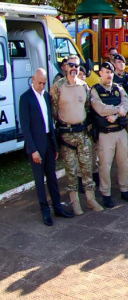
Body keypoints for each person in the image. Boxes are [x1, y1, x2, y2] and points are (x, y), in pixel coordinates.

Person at [49, 55, 103, 215]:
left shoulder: (84, 86)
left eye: (77, 66)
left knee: (87, 169)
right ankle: (75, 203)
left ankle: (91, 200)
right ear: (65, 67)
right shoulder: (58, 86)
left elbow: (86, 107)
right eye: (71, 65)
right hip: (67, 136)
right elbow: (53, 111)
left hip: (82, 134)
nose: (74, 68)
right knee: (71, 172)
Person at [22, 69, 75, 225]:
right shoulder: (25, 98)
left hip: (48, 142)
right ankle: (45, 211)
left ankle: (58, 207)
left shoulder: (46, 96)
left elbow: (50, 124)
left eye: (44, 83)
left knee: (52, 178)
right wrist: (33, 150)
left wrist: (55, 146)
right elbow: (25, 127)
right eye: (39, 82)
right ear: (33, 79)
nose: (42, 85)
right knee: (40, 180)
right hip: (36, 145)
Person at [90, 62, 128, 207]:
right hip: (105, 134)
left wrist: (115, 115)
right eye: (106, 72)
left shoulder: (119, 88)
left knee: (123, 163)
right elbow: (100, 108)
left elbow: (126, 104)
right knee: (105, 165)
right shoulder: (95, 90)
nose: (109, 75)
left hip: (120, 132)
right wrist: (117, 110)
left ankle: (124, 189)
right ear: (100, 74)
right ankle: (106, 193)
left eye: (111, 72)